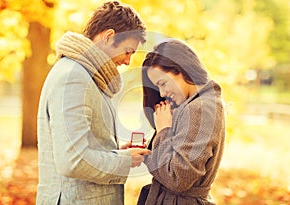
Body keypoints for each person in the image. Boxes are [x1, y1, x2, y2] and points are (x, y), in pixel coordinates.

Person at [36, 1, 151, 204]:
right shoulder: (74, 77)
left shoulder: (87, 75)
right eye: (128, 51)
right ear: (108, 37)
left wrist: (116, 153)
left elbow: (82, 146)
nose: (127, 61)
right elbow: (72, 160)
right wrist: (124, 161)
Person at [138, 39, 225, 205]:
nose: (162, 93)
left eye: (162, 83)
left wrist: (163, 130)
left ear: (181, 69)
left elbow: (178, 179)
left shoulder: (200, 108)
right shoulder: (193, 105)